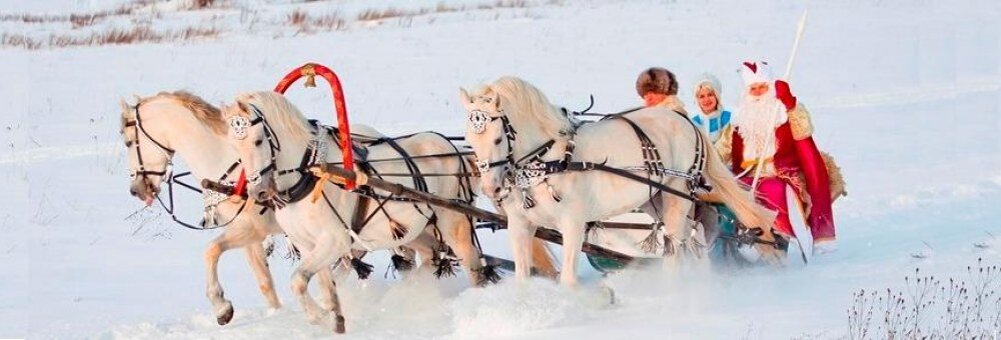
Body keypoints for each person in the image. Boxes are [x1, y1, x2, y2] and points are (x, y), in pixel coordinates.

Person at [718, 61, 838, 255]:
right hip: (747, 173)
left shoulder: (784, 112)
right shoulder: (739, 118)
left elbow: (804, 131)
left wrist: (790, 104)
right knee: (729, 191)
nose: (757, 92)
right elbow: (723, 149)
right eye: (753, 88)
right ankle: (739, 238)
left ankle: (779, 234)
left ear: (770, 87)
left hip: (779, 172)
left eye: (762, 87)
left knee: (771, 190)